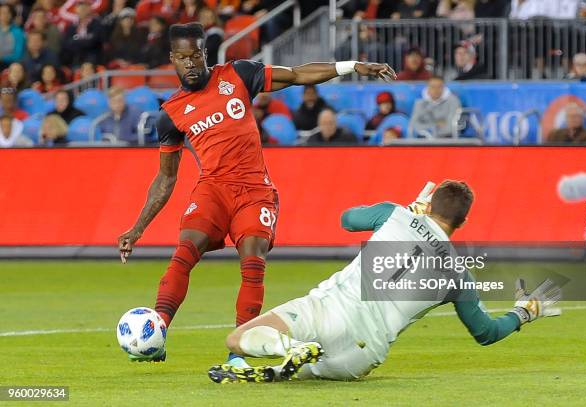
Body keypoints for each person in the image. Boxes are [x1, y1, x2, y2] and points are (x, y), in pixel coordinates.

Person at [117, 23, 395, 367]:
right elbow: (165, 177)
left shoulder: (238, 75)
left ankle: (238, 354)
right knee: (185, 251)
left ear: (205, 53)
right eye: (182, 57)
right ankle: (156, 334)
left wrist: (351, 66)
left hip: (254, 190)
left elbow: (295, 75)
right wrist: (137, 227)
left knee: (252, 263)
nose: (189, 63)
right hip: (212, 188)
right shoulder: (170, 113)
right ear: (172, 59)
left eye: (195, 55)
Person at [207, 181, 562, 383]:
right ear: (463, 222)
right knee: (304, 378)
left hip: (326, 311)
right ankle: (291, 357)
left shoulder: (395, 213)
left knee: (237, 339)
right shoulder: (459, 271)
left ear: (429, 203)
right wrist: (523, 313)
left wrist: (408, 209)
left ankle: (286, 347)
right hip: (361, 354)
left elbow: (347, 219)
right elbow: (484, 332)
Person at [62, 0, 105, 67]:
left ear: (90, 8)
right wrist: (84, 40)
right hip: (75, 59)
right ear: (76, 10)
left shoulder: (97, 23)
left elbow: (93, 42)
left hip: (92, 59)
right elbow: (66, 44)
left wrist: (76, 41)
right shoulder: (71, 27)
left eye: (85, 7)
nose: (82, 10)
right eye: (80, 7)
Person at [0, 4, 25, 71]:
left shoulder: (18, 32)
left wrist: (2, 57)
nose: (5, 15)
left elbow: (18, 55)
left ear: (12, 15)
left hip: (10, 66)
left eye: (8, 12)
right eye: (2, 12)